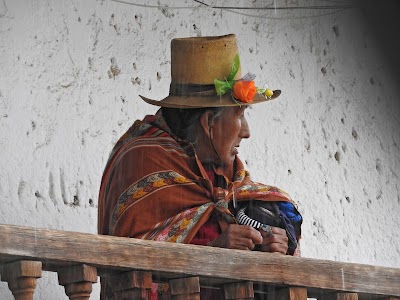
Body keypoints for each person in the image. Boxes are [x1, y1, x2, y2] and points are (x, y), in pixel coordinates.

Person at [98, 34, 302, 299]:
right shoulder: (141, 160)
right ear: (209, 123)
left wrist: (274, 246)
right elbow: (132, 267)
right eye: (239, 116)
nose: (246, 132)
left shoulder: (226, 175)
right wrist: (211, 254)